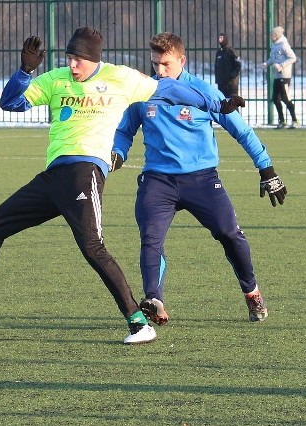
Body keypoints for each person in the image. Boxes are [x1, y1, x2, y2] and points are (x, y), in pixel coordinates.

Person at [0, 27, 244, 345]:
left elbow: (170, 90)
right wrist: (24, 72)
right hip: (52, 178)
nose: (73, 65)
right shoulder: (55, 79)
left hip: (85, 171)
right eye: (70, 58)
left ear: (94, 59)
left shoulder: (121, 79)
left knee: (92, 247)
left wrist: (217, 105)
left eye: (80, 59)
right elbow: (11, 103)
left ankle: (140, 325)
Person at [112, 32, 287, 327]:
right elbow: (125, 130)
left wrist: (266, 168)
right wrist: (117, 153)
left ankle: (252, 292)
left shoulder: (203, 91)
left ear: (182, 60)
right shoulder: (143, 91)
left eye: (165, 64)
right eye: (155, 63)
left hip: (202, 180)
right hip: (157, 180)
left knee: (230, 234)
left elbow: (241, 130)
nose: (159, 71)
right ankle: (154, 299)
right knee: (150, 239)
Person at [261, 26, 299, 129]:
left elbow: (293, 57)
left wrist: (281, 66)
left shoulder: (284, 45)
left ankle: (295, 120)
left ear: (277, 36)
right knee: (275, 98)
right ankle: (282, 121)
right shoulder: (274, 46)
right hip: (277, 76)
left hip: (284, 76)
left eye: (273, 35)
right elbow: (273, 59)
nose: (271, 37)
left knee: (285, 98)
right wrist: (267, 64)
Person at [214, 32, 241, 98]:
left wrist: (232, 76)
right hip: (221, 83)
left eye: (221, 38)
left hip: (231, 85)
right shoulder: (219, 52)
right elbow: (216, 66)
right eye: (219, 38)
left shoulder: (231, 51)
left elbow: (238, 65)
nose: (219, 40)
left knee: (232, 102)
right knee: (223, 102)